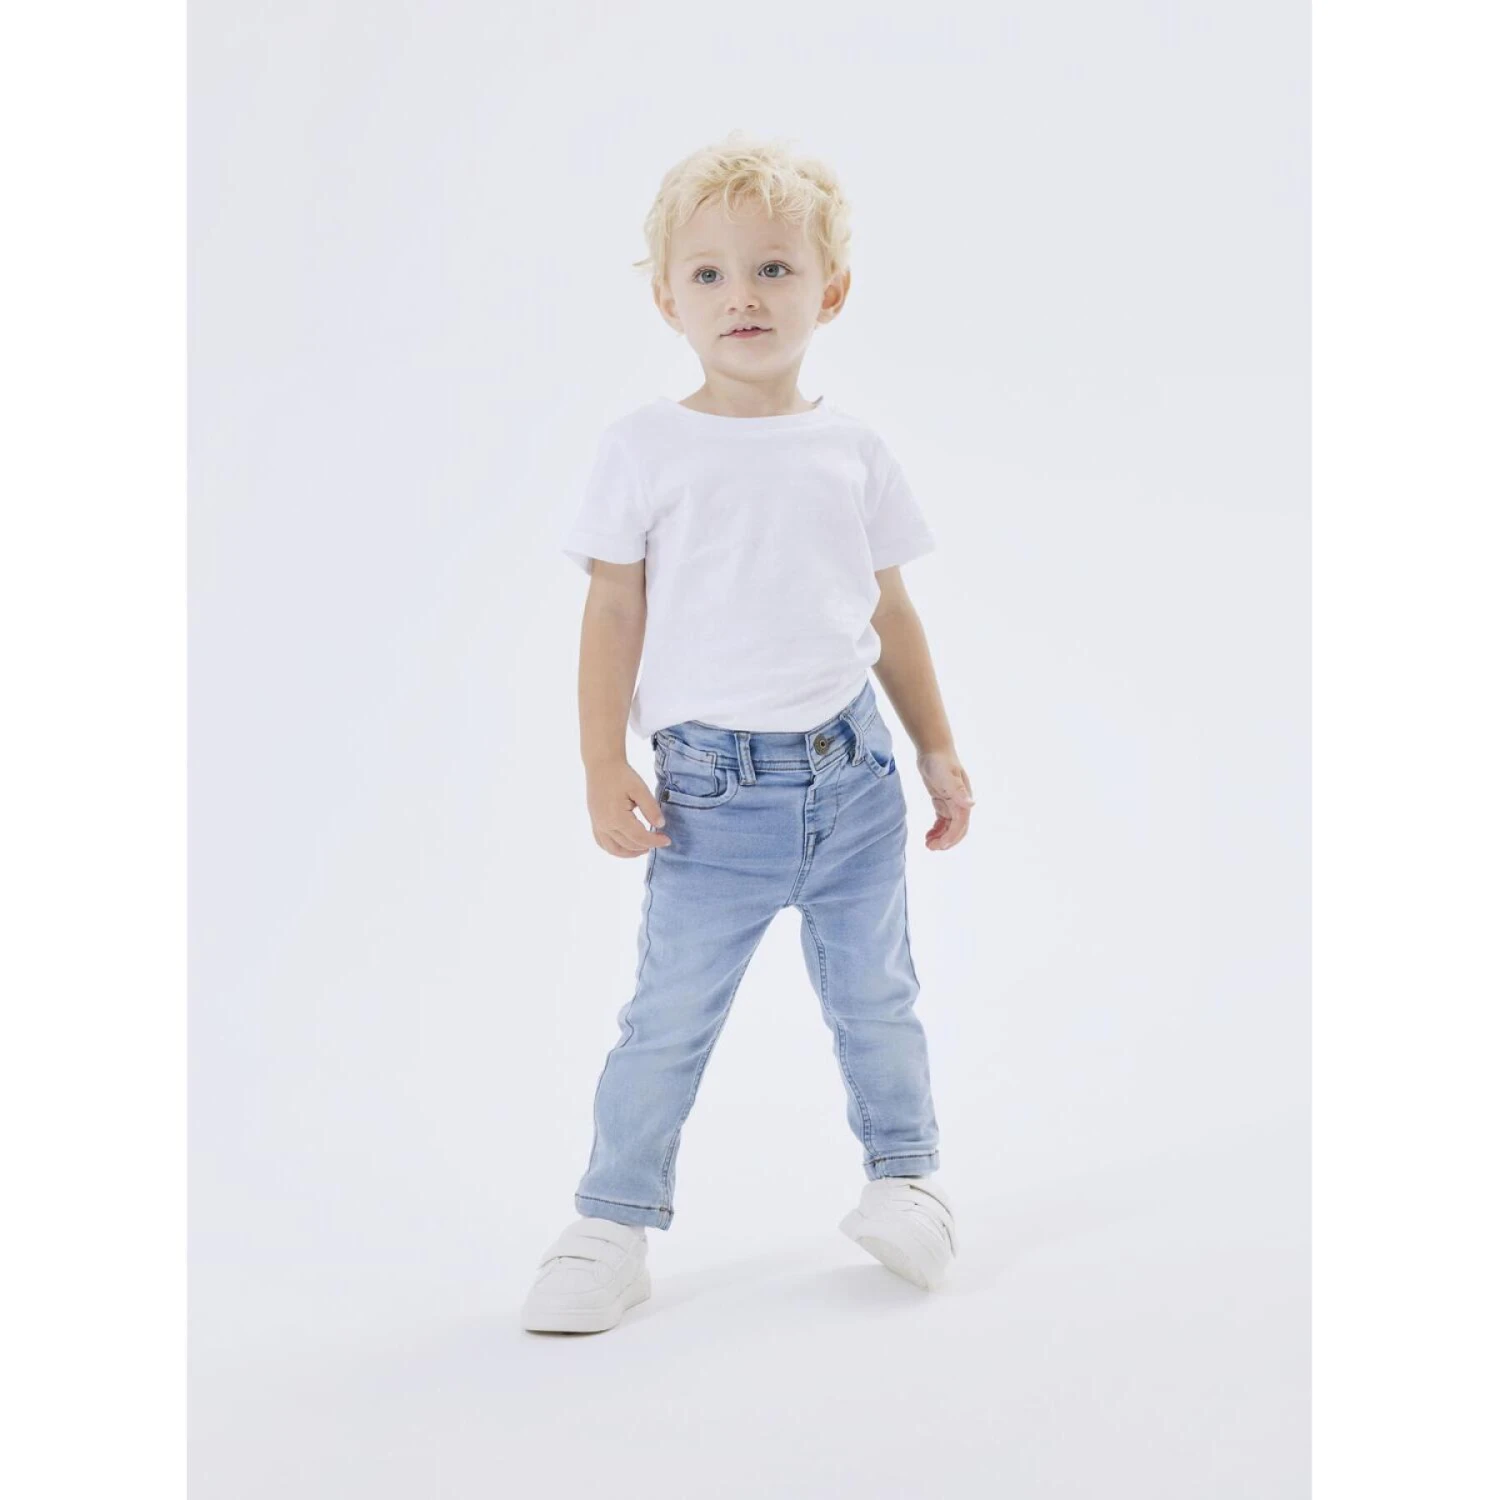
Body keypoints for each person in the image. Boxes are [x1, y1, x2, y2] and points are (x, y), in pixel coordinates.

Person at [523, 132, 975, 1334]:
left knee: (878, 997)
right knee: (668, 1017)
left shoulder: (852, 451)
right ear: (667, 299)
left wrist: (935, 747)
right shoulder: (646, 449)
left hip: (854, 779)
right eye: (710, 274)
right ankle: (611, 1224)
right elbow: (612, 609)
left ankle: (908, 1178)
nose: (745, 296)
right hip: (709, 801)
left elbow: (890, 611)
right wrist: (601, 761)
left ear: (831, 291)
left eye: (776, 269)